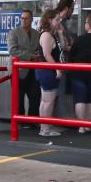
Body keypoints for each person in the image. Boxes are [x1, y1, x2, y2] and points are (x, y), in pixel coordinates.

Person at [8, 9, 42, 120]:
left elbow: (38, 48)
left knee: (35, 95)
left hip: (33, 69)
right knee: (19, 97)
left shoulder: (36, 33)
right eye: (22, 18)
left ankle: (32, 120)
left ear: (31, 19)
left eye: (26, 18)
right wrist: (31, 56)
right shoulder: (14, 32)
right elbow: (13, 51)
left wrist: (37, 54)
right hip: (18, 70)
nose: (24, 20)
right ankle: (19, 120)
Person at [36, 9, 65, 137]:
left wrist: (60, 33)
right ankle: (45, 128)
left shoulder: (51, 34)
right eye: (57, 19)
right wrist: (57, 69)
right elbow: (47, 54)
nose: (59, 21)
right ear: (49, 20)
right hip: (48, 71)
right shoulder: (46, 35)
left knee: (45, 100)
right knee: (48, 101)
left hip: (46, 70)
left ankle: (44, 127)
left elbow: (62, 47)